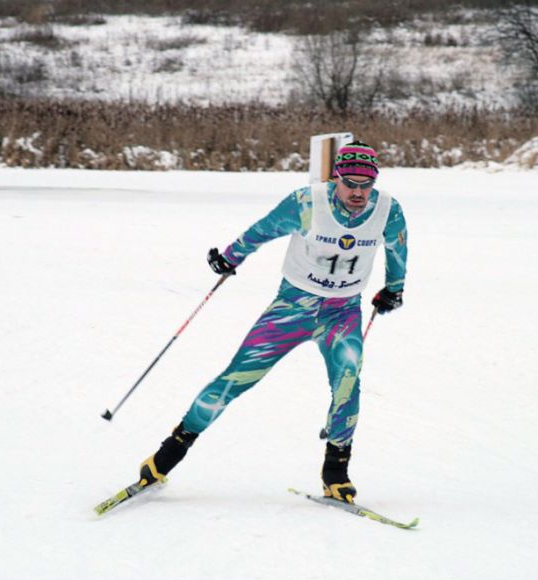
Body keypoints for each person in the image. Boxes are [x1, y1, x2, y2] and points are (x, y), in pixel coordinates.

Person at [135, 141, 408, 502]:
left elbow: (398, 248)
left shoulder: (387, 211)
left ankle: (336, 473)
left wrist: (394, 289)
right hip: (292, 309)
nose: (358, 192)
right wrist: (230, 257)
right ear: (335, 177)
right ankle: (166, 456)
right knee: (236, 378)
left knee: (348, 383)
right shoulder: (307, 202)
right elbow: (263, 230)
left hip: (341, 313)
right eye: (350, 183)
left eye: (366, 184)